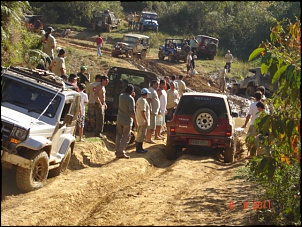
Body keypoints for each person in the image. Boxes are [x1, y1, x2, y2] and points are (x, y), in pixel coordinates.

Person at [115, 84, 138, 159]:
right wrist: (135, 122)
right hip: (127, 120)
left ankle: (117, 150)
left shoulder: (121, 96)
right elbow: (132, 112)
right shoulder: (131, 99)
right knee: (126, 136)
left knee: (119, 135)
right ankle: (121, 152)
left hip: (119, 118)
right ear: (132, 91)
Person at [242, 91, 263, 158]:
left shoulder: (253, 105)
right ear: (261, 97)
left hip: (253, 125)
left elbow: (248, 115)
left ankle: (252, 155)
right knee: (260, 140)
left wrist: (245, 124)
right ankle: (259, 155)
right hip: (262, 125)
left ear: (255, 97)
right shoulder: (264, 105)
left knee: (251, 139)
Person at [135, 88, 151, 153]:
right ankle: (139, 149)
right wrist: (146, 120)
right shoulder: (143, 101)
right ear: (146, 94)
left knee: (141, 134)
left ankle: (140, 148)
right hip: (142, 121)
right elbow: (143, 111)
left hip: (139, 119)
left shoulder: (140, 99)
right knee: (141, 135)